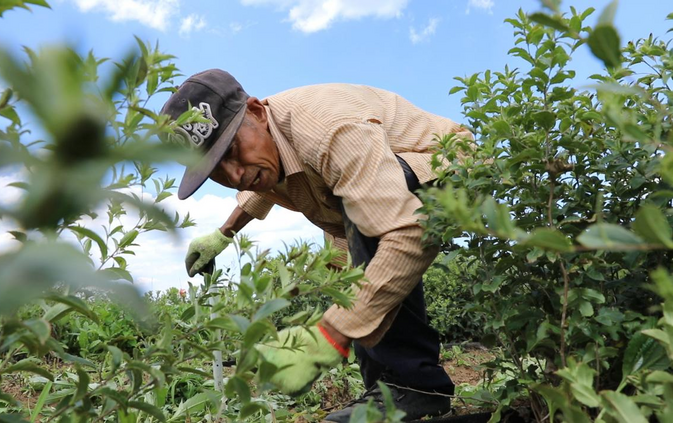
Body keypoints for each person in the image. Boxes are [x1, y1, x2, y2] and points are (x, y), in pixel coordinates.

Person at [160, 69, 472, 422]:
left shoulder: (329, 128)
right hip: (365, 194)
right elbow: (259, 187)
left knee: (373, 218)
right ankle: (386, 389)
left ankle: (413, 384)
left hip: (442, 161)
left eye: (232, 150)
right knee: (349, 276)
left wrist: (328, 335)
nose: (233, 175)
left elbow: (409, 232)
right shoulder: (264, 145)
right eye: (215, 167)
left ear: (257, 112)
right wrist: (224, 233)